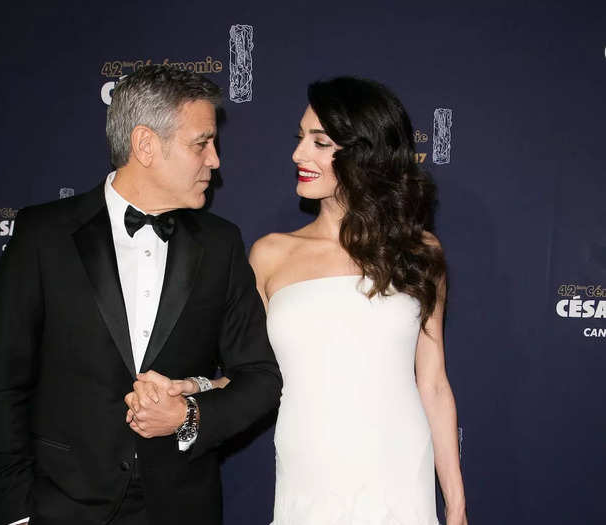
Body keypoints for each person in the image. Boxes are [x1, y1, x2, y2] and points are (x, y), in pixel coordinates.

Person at [132, 76, 467, 524]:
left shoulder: (420, 252)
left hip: (401, 480)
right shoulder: (270, 255)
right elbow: (252, 378)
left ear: (365, 150)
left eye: (320, 142)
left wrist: (457, 506)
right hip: (309, 482)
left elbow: (434, 384)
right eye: (301, 138)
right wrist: (193, 391)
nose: (298, 154)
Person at [0, 65, 282, 525]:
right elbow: (4, 381)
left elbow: (260, 378)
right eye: (201, 143)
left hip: (181, 506)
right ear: (145, 145)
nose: (215, 159)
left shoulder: (220, 244)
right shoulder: (44, 236)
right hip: (63, 506)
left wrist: (187, 416)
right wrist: (16, 512)